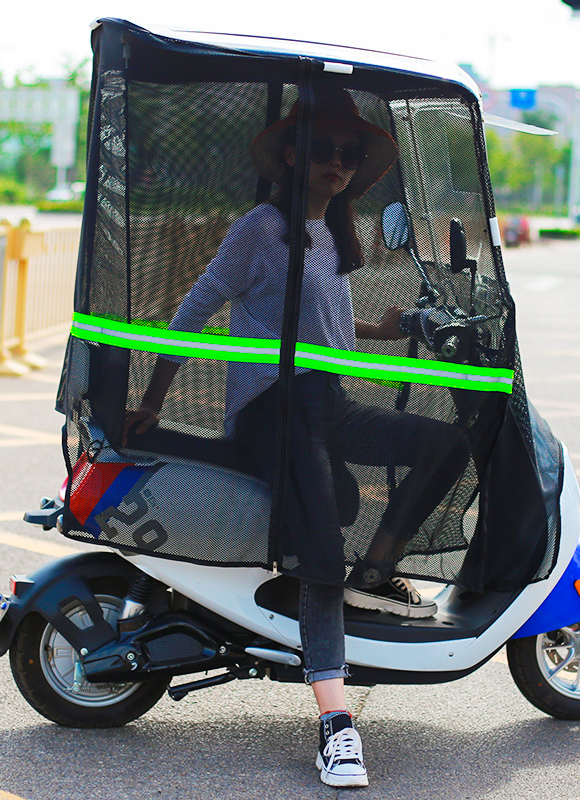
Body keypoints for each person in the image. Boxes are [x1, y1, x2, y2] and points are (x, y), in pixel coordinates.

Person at [123, 87, 470, 788]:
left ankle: (375, 570)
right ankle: (337, 728)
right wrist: (152, 401)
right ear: (290, 153)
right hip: (273, 410)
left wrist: (400, 326)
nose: (337, 161)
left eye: (348, 152)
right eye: (323, 147)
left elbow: (328, 332)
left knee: (443, 447)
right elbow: (196, 310)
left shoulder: (327, 235)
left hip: (324, 402)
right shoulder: (263, 227)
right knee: (318, 552)